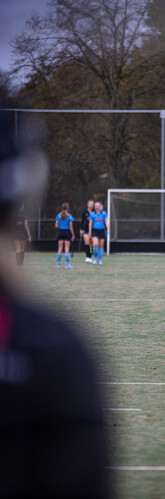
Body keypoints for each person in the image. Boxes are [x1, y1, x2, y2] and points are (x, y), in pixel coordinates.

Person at [0, 108, 110, 498]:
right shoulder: (54, 345)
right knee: (68, 246)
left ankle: (88, 257)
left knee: (78, 246)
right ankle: (77, 257)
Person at [55, 202, 75, 269]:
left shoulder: (58, 215)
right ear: (68, 208)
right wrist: (73, 235)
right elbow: (71, 227)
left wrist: (60, 227)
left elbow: (56, 226)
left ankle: (58, 264)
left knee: (60, 248)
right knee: (67, 248)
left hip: (60, 232)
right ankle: (67, 265)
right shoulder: (69, 216)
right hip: (67, 232)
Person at [12, 203, 31, 269]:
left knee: (18, 249)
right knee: (22, 249)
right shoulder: (24, 216)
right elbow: (26, 225)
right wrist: (29, 235)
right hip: (23, 233)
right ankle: (21, 265)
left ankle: (18, 265)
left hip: (15, 233)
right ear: (21, 208)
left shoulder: (13, 216)